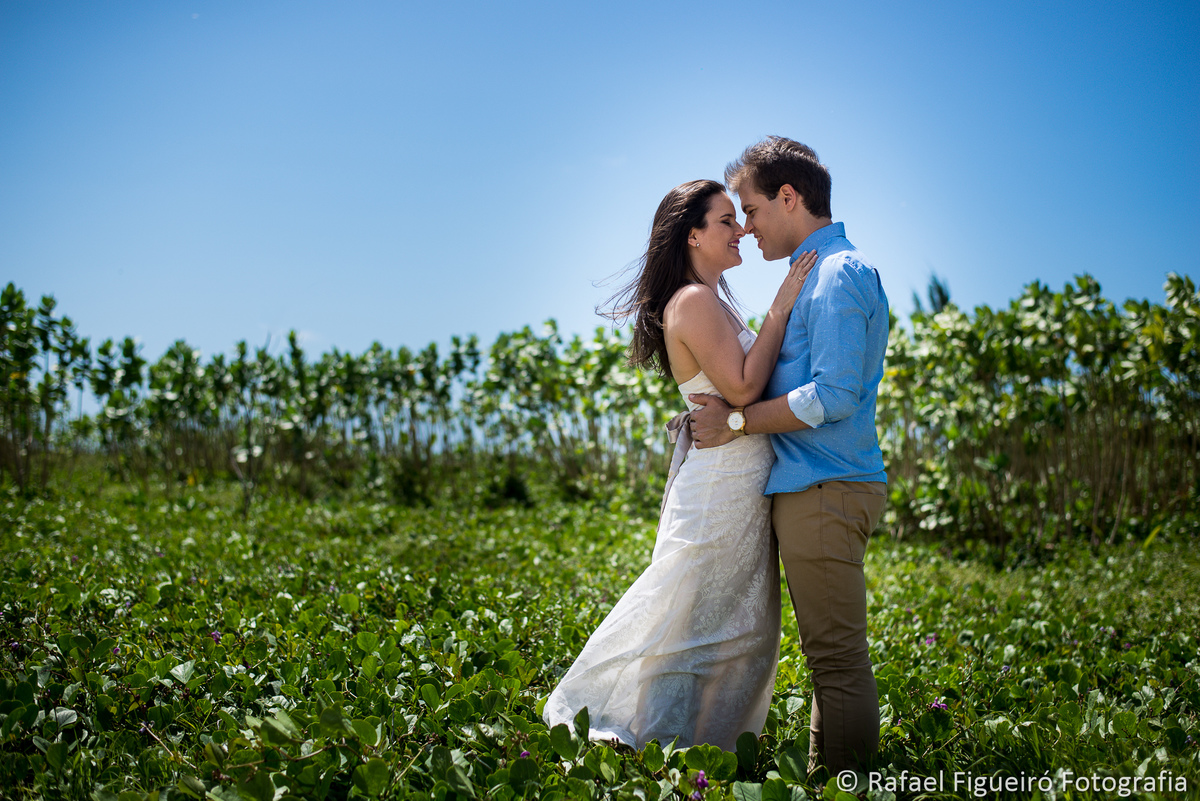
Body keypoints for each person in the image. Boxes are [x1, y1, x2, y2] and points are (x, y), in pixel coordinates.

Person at [542, 179, 816, 751]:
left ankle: (696, 750)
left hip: (738, 483)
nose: (740, 229)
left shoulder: (709, 300)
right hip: (719, 484)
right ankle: (637, 738)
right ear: (693, 235)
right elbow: (742, 388)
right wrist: (784, 305)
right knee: (685, 619)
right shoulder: (693, 301)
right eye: (725, 221)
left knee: (734, 628)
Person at [689, 138, 890, 776]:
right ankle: (828, 785)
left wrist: (739, 421)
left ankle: (847, 790)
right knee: (828, 660)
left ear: (788, 197)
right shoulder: (815, 271)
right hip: (815, 487)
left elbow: (832, 394)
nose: (745, 227)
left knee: (836, 660)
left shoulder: (836, 273)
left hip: (826, 487)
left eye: (750, 210)